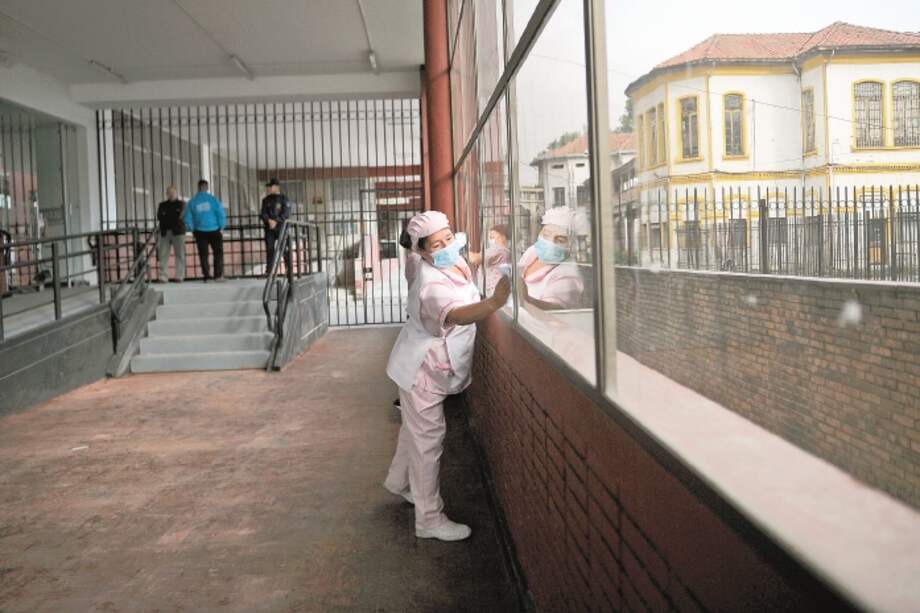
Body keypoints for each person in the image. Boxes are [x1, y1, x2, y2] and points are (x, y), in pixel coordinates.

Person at [383, 210, 511, 542]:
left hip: (427, 364)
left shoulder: (448, 259)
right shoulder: (429, 283)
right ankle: (429, 519)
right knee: (428, 442)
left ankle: (401, 484)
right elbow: (458, 314)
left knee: (413, 431)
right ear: (422, 251)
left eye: (448, 238)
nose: (446, 246)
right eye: (436, 244)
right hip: (422, 370)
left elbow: (477, 256)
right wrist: (495, 302)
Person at [519, 206, 585, 310]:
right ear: (540, 233)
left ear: (571, 246)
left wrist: (526, 300)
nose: (550, 242)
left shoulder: (568, 277)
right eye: (546, 235)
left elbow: (556, 309)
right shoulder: (533, 252)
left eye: (560, 240)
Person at [184, 179, 226, 282]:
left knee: (203, 254)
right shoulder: (213, 200)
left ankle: (206, 276)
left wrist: (192, 228)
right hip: (214, 230)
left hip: (199, 231)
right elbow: (221, 214)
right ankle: (218, 275)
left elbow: (187, 218)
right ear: (207, 188)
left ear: (198, 188)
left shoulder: (192, 201)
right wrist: (222, 226)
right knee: (218, 253)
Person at [260, 177, 292, 274]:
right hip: (269, 228)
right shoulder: (266, 200)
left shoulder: (284, 199)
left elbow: (286, 213)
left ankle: (288, 269)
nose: (269, 188)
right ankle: (269, 271)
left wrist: (276, 221)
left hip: (281, 227)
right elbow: (263, 213)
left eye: (270, 186)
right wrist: (269, 221)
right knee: (270, 249)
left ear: (276, 187)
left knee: (284, 248)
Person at [156, 185, 186, 283]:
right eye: (169, 192)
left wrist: (168, 217)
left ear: (176, 193)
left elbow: (181, 217)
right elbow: (160, 217)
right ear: (166, 194)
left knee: (180, 254)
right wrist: (173, 217)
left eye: (173, 192)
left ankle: (179, 276)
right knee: (163, 254)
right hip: (165, 232)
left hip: (178, 232)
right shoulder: (162, 205)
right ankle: (163, 277)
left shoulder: (182, 204)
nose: (171, 194)